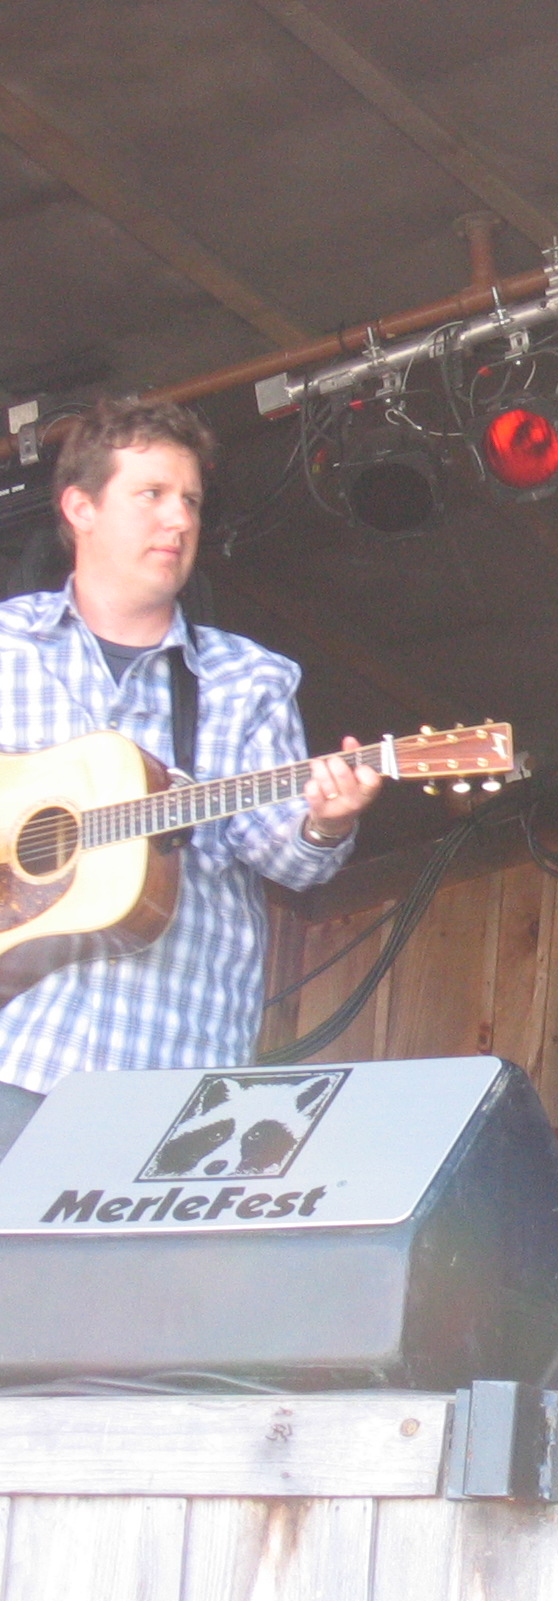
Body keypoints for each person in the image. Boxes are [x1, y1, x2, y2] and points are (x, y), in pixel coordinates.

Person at [0, 398, 380, 1154]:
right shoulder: (7, 645)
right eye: (152, 495)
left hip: (172, 1066)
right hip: (20, 1048)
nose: (178, 521)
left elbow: (284, 854)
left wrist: (326, 819)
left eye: (192, 502)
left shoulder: (247, 678)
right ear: (81, 507)